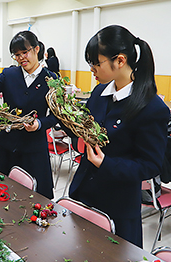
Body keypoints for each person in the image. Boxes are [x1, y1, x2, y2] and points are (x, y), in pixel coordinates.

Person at [68, 25, 169, 247]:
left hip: (117, 207)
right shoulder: (99, 93)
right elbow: (86, 133)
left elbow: (150, 165)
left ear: (120, 61)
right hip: (83, 194)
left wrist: (106, 163)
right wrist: (79, 140)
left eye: (96, 63)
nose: (92, 69)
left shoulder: (152, 108)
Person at [0, 30, 58, 199]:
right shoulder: (9, 74)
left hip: (33, 148)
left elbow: (56, 116)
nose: (21, 58)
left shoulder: (51, 79)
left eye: (25, 52)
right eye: (16, 55)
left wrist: (39, 124)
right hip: (7, 145)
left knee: (36, 198)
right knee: (0, 192)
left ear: (36, 49)